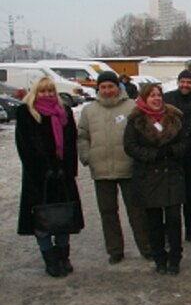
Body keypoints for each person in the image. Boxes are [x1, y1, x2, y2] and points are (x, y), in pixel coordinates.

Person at [78, 70, 152, 264]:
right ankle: (115, 249)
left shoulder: (131, 107)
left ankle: (146, 247)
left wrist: (139, 158)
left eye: (110, 86)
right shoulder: (89, 110)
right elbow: (83, 136)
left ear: (118, 87)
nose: (107, 90)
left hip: (128, 167)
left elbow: (142, 133)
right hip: (101, 169)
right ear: (98, 89)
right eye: (103, 87)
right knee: (108, 212)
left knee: (137, 211)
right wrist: (87, 157)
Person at [16, 77, 85, 277]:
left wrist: (68, 170)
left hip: (62, 176)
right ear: (36, 92)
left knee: (64, 218)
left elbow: (71, 143)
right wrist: (42, 171)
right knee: (42, 221)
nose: (47, 95)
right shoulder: (26, 112)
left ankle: (63, 256)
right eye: (43, 91)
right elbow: (25, 146)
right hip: (38, 178)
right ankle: (50, 259)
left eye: (50, 91)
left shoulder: (63, 112)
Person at [124, 84, 187, 275]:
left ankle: (175, 258)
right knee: (154, 222)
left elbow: (186, 142)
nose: (156, 98)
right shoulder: (136, 120)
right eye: (152, 95)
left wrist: (171, 151)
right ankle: (159, 258)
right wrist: (152, 154)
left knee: (174, 219)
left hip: (171, 175)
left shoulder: (174, 117)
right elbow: (130, 146)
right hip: (148, 177)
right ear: (144, 98)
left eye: (159, 95)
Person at [163, 70, 191, 244]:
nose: (185, 85)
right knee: (169, 198)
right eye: (182, 82)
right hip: (171, 156)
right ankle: (169, 232)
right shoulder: (168, 99)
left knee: (189, 197)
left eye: (189, 82)